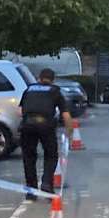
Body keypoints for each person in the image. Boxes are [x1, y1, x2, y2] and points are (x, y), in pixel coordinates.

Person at [19, 68, 71, 196]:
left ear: (39, 78)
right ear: (52, 80)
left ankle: (31, 190)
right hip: (46, 125)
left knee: (29, 157)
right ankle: (47, 183)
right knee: (51, 155)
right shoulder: (55, 91)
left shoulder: (29, 89)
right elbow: (66, 115)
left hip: (27, 125)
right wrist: (69, 133)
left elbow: (20, 111)